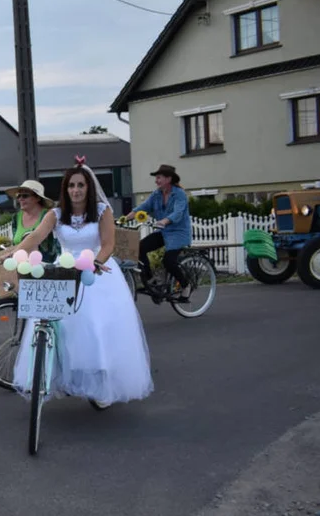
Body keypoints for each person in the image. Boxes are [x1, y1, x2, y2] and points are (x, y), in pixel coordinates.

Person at [12, 158, 153, 406]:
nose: (75, 190)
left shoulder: (101, 211)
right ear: (65, 189)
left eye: (80, 185)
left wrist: (96, 262)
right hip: (64, 271)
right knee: (60, 328)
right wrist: (8, 253)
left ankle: (100, 381)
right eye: (71, 186)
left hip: (93, 273)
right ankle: (61, 377)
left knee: (96, 328)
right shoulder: (56, 214)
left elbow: (108, 244)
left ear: (88, 188)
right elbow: (34, 237)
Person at [126, 164, 192, 301]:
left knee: (169, 261)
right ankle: (152, 281)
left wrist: (165, 221)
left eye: (159, 177)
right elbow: (143, 207)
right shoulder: (157, 194)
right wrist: (124, 218)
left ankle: (186, 286)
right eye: (156, 178)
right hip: (163, 231)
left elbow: (178, 213)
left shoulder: (179, 194)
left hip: (178, 233)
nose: (156, 180)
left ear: (168, 179)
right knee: (139, 248)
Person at [3, 180, 60, 260]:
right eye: (19, 196)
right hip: (21, 267)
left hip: (45, 268)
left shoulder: (48, 216)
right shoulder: (16, 218)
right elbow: (16, 244)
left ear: (37, 198)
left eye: (25, 196)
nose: (20, 199)